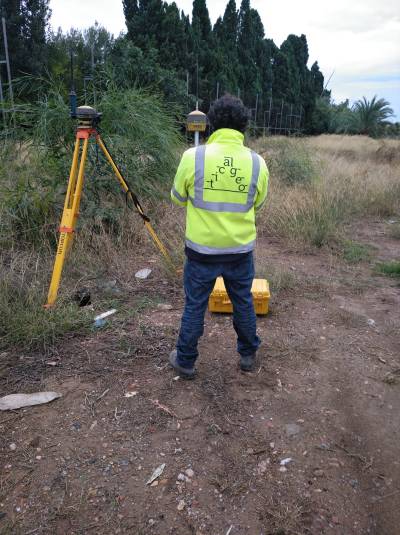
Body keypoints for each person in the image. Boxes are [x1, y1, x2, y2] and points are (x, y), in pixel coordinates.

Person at [169, 94, 269, 379]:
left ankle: (185, 360)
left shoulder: (193, 157)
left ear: (211, 123)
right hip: (239, 252)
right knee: (244, 303)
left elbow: (177, 198)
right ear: (243, 126)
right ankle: (248, 354)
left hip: (201, 253)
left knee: (195, 306)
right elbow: (257, 204)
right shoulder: (257, 163)